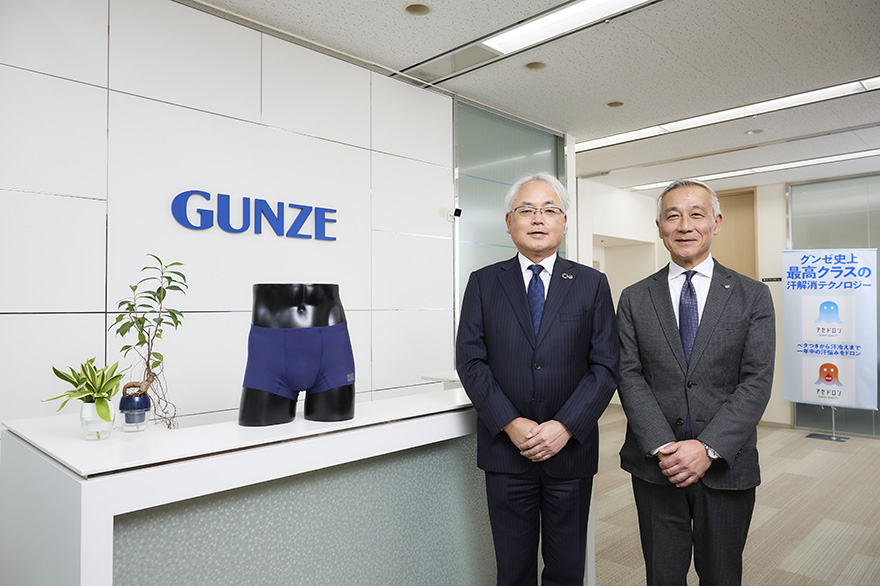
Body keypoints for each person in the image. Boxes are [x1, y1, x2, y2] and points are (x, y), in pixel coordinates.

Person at [456, 172, 619, 586]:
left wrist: (565, 426)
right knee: (513, 570)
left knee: (567, 569)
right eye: (526, 210)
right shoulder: (483, 282)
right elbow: (471, 361)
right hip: (506, 452)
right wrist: (511, 423)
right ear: (509, 222)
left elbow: (605, 366)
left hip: (570, 452)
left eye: (549, 210)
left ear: (564, 222)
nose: (538, 219)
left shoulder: (591, 284)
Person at [616, 179, 775, 586]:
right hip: (657, 467)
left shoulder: (752, 295)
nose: (684, 225)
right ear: (659, 227)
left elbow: (756, 380)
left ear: (716, 222)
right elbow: (629, 375)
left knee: (722, 575)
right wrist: (664, 446)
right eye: (672, 216)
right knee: (662, 575)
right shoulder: (634, 297)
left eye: (696, 214)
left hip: (726, 465)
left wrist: (707, 448)